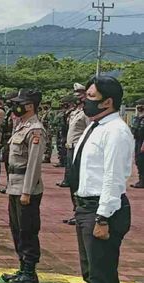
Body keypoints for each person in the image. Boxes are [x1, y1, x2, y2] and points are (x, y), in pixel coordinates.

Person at [71, 76, 133, 283]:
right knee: (93, 276)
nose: (85, 101)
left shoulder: (116, 131)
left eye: (91, 97)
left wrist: (103, 218)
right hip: (86, 207)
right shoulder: (95, 125)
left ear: (108, 102)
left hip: (101, 210)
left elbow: (113, 179)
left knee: (103, 279)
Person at [0, 88, 46, 283]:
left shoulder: (35, 129)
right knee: (17, 229)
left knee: (27, 230)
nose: (15, 106)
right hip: (15, 185)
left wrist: (27, 191)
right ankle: (22, 268)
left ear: (29, 106)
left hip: (26, 188)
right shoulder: (22, 126)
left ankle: (30, 272)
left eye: (19, 103)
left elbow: (34, 164)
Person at [63, 84, 89, 225]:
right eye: (76, 93)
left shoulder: (87, 112)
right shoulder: (75, 111)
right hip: (70, 148)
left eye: (80, 93)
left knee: (78, 181)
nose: (77, 95)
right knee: (72, 181)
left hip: (79, 149)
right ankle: (76, 211)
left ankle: (81, 213)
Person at [0, 92, 19, 194]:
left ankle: (12, 185)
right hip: (7, 141)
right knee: (7, 164)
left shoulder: (17, 112)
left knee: (13, 165)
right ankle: (9, 184)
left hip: (13, 141)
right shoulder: (9, 111)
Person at [130, 98, 144, 188]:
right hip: (138, 141)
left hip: (142, 142)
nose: (138, 108)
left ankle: (142, 182)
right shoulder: (138, 117)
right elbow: (133, 130)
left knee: (141, 161)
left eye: (140, 106)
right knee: (138, 161)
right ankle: (141, 181)